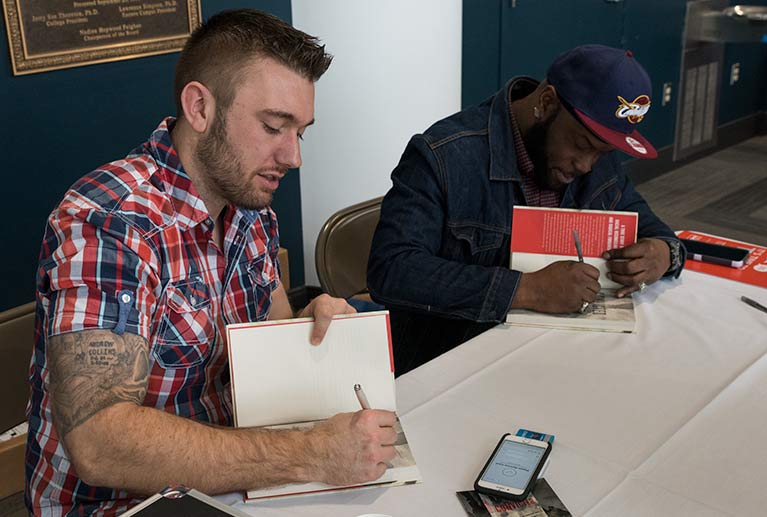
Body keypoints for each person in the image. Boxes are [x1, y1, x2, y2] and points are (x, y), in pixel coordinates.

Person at [27, 10, 397, 516]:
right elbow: (100, 440)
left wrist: (308, 335)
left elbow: (270, 343)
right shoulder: (107, 221)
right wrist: (310, 454)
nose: (293, 157)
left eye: (301, 133)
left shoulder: (249, 208)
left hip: (230, 480)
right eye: (273, 126)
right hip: (118, 505)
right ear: (199, 107)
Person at [367, 45, 685, 375]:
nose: (588, 166)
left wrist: (663, 254)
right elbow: (392, 271)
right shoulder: (445, 155)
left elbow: (657, 232)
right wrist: (528, 289)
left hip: (554, 359)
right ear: (546, 103)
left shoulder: (595, 154)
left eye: (602, 154)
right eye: (581, 146)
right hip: (450, 367)